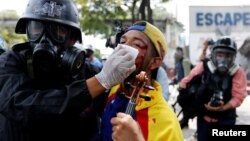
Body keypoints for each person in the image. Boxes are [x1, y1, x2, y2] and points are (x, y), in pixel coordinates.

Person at [0, 0, 136, 141]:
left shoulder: (87, 72)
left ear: (72, 39)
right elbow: (22, 107)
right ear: (27, 31)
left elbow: (119, 113)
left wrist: (132, 66)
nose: (44, 39)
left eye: (58, 31)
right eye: (37, 28)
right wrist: (99, 83)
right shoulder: (10, 63)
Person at [100, 21, 184, 141]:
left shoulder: (167, 122)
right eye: (123, 42)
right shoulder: (114, 90)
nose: (124, 48)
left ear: (155, 62)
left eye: (136, 45)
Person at [179, 36, 248, 141]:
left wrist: (223, 108)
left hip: (226, 120)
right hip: (204, 120)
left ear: (234, 57)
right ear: (213, 55)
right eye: (220, 55)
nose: (223, 60)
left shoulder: (238, 72)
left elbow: (239, 96)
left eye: (228, 56)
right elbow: (185, 83)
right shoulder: (203, 67)